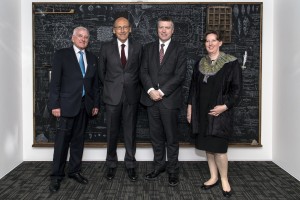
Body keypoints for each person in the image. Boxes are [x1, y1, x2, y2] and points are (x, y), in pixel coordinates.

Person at [187, 30, 242, 198]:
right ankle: (213, 177)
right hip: (202, 112)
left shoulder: (231, 63)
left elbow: (237, 90)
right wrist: (190, 108)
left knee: (219, 149)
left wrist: (225, 107)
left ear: (220, 43)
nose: (209, 44)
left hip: (220, 113)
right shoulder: (199, 63)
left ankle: (224, 180)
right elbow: (193, 88)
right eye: (207, 41)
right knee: (208, 148)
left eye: (213, 40)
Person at [48, 26, 100, 192]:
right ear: (72, 38)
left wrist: (95, 104)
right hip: (65, 107)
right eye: (80, 36)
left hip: (85, 107)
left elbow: (95, 85)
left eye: (86, 37)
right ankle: (56, 176)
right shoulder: (61, 55)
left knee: (78, 142)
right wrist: (55, 105)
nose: (83, 39)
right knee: (62, 144)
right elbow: (54, 83)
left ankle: (74, 171)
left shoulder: (92, 57)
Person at [140, 16, 187, 187]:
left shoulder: (179, 49)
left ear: (172, 30)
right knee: (156, 138)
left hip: (169, 101)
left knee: (171, 138)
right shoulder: (148, 48)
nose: (164, 30)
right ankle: (158, 167)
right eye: (161, 27)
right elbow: (143, 71)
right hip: (151, 101)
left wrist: (161, 91)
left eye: (167, 27)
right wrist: (151, 91)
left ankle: (173, 171)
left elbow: (180, 75)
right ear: (157, 29)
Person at [98, 17, 142, 182]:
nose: (122, 30)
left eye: (125, 27)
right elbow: (101, 73)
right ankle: (110, 164)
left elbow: (141, 71)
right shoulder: (105, 48)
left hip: (131, 97)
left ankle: (130, 165)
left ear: (130, 29)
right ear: (113, 30)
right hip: (112, 96)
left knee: (130, 133)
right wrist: (113, 86)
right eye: (119, 27)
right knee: (111, 132)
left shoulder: (138, 47)